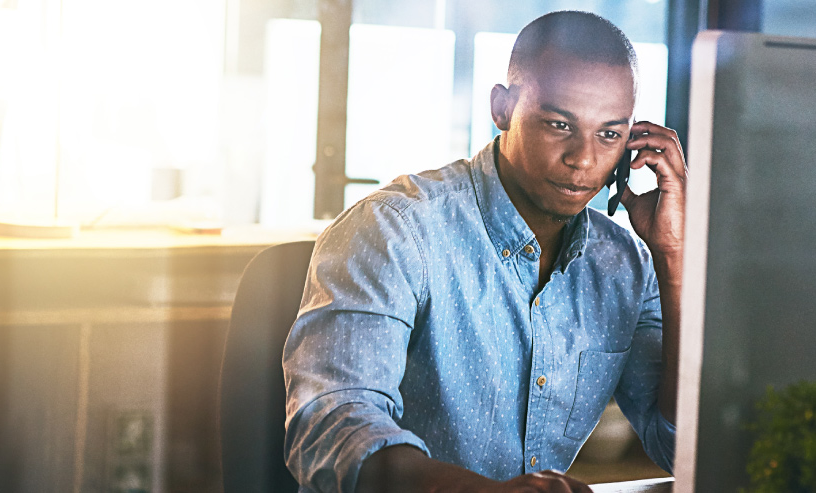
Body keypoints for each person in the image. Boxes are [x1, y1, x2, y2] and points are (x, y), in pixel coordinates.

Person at [282, 10, 687, 493]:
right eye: (559, 124)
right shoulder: (396, 230)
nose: (583, 159)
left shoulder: (626, 264)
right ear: (502, 108)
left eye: (608, 134)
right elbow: (334, 428)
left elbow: (678, 448)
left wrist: (674, 256)